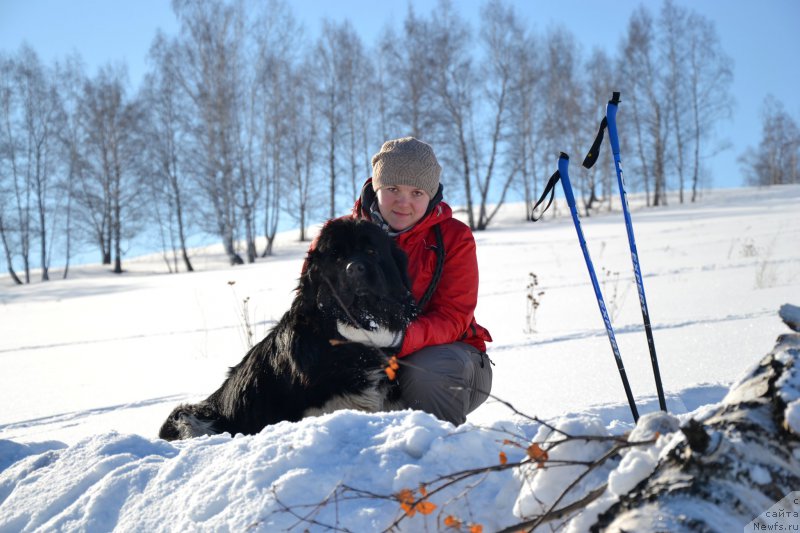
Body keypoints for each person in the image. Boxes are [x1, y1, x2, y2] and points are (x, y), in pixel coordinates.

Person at [351, 136, 493, 425]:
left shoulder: (454, 237)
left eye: (417, 192)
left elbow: (454, 316)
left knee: (428, 371)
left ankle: (441, 460)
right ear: (376, 188)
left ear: (431, 195)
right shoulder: (340, 236)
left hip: (452, 362)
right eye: (392, 189)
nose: (404, 202)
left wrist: (393, 341)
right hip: (359, 358)